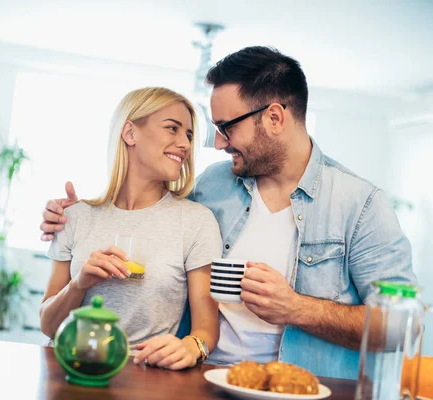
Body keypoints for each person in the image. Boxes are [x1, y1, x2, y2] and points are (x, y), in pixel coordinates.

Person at [39, 47, 417, 379]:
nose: (216, 143)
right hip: (202, 381)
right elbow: (146, 205)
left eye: (226, 127)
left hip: (302, 387)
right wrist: (67, 215)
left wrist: (297, 308)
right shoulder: (213, 185)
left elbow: (403, 328)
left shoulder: (361, 204)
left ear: (274, 118)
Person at [39, 87, 222, 371]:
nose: (185, 144)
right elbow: (48, 326)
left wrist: (191, 347)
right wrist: (80, 283)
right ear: (130, 133)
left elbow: (206, 329)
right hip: (69, 372)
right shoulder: (74, 217)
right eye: (172, 128)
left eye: (188, 134)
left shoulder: (197, 222)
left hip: (145, 375)